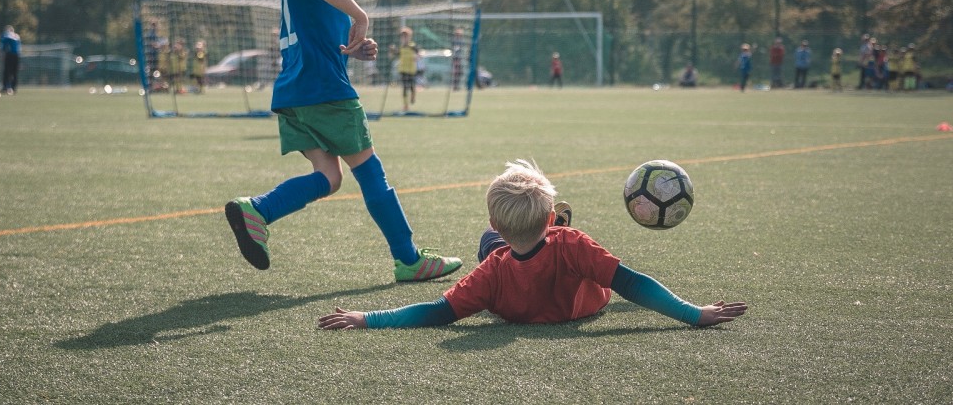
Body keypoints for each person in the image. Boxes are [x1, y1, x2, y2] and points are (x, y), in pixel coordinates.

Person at [224, 0, 461, 282]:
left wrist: (353, 49)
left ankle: (258, 210)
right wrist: (361, 16)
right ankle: (408, 258)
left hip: (295, 93)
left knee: (329, 178)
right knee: (370, 171)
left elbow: (317, 30)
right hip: (325, 91)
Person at [319, 159, 747, 330]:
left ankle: (509, 237)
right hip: (581, 295)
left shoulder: (489, 274)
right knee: (567, 257)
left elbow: (437, 312)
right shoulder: (574, 245)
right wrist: (694, 314)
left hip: (508, 267)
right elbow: (633, 284)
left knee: (488, 246)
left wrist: (367, 317)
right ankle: (537, 230)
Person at [394, 26, 418, 111]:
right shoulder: (401, 47)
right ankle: (405, 105)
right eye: (402, 37)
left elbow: (419, 53)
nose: (404, 38)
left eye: (406, 36)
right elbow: (396, 55)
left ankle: (413, 95)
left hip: (411, 70)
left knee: (412, 87)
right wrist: (392, 51)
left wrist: (417, 56)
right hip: (403, 70)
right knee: (404, 88)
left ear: (409, 37)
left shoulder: (413, 46)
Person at [0, 25, 22, 94]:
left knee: (7, 72)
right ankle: (13, 88)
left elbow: (4, 46)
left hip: (9, 55)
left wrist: (2, 54)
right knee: (14, 73)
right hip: (16, 55)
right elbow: (19, 47)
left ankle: (5, 88)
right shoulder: (17, 36)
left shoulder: (6, 35)